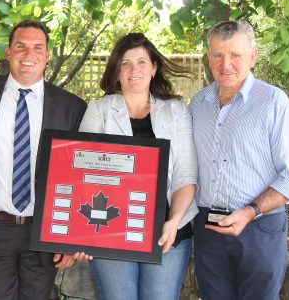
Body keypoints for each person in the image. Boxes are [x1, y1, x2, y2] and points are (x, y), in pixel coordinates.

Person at [0, 20, 87, 299]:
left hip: (43, 232)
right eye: (21, 46)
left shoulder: (72, 107)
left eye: (38, 47)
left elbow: (80, 177)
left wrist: (71, 236)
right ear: (8, 52)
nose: (29, 54)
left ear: (48, 55)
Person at [189, 20, 289, 299]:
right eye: (218, 55)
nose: (225, 64)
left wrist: (250, 211)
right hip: (209, 228)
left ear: (253, 56)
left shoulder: (272, 102)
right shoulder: (198, 104)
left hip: (259, 228)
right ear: (209, 57)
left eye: (235, 55)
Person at [76, 33, 199, 299]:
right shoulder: (98, 110)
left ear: (154, 68)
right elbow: (83, 176)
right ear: (116, 71)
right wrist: (82, 234)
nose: (135, 70)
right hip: (110, 225)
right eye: (126, 63)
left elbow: (185, 174)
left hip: (168, 226)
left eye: (142, 62)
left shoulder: (176, 110)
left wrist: (174, 221)